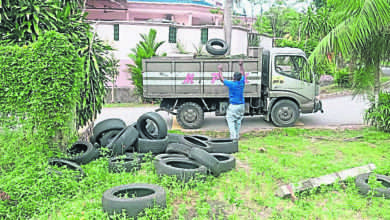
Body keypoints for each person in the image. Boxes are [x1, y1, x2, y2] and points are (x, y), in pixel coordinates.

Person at [217, 61, 245, 140]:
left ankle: (233, 138)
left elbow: (222, 79)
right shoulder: (242, 82)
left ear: (234, 78)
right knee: (238, 121)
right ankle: (237, 136)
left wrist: (220, 70)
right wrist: (241, 65)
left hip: (234, 106)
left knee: (230, 120)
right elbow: (243, 73)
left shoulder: (232, 84)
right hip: (241, 106)